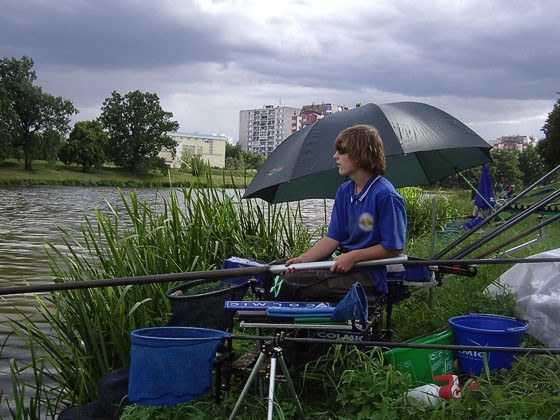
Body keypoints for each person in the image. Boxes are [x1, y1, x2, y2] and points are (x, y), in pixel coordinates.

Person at [268, 124, 407, 302]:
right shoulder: (345, 191)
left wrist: (353, 256)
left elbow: (394, 248)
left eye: (342, 151)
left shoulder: (385, 195)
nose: (335, 156)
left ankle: (290, 328)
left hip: (367, 274)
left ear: (361, 154)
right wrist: (303, 260)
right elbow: (333, 238)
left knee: (290, 283)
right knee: (277, 270)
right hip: (338, 263)